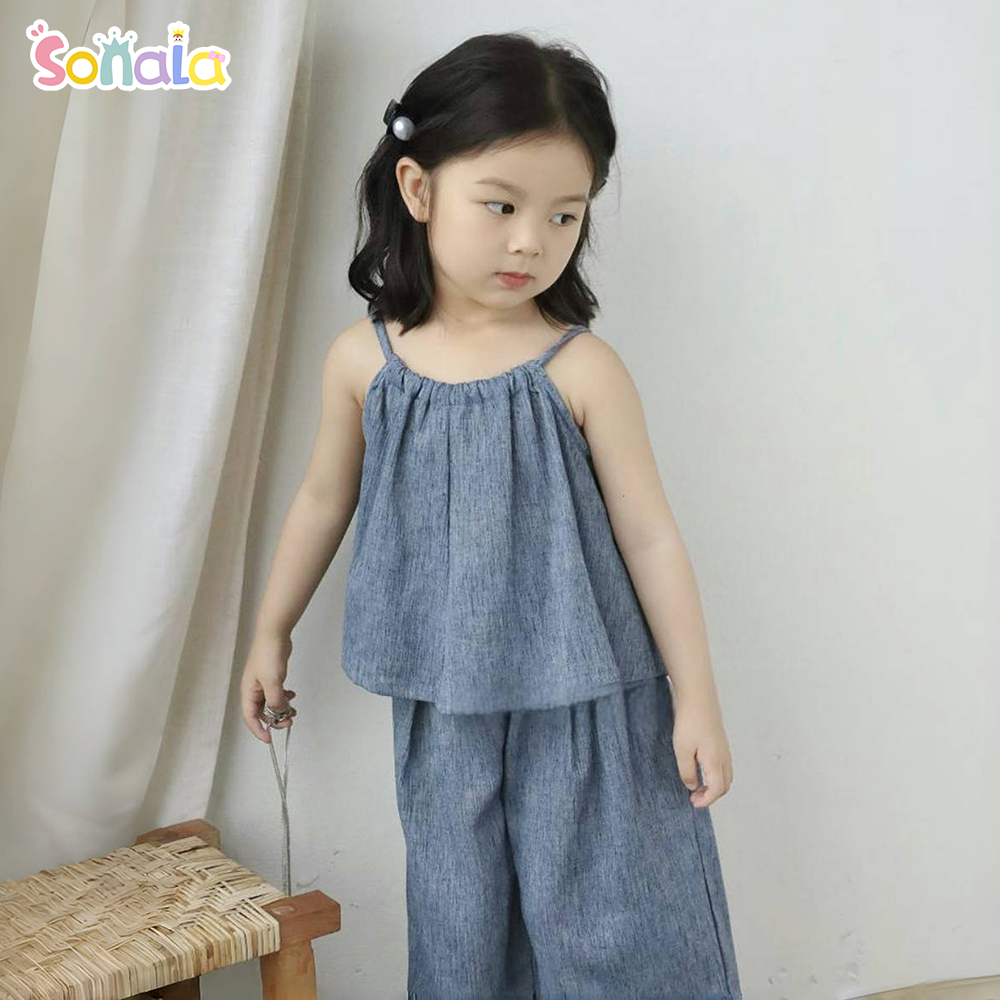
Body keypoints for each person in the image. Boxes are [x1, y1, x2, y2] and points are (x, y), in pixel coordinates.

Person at [241, 30, 743, 1000]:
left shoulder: (582, 369)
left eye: (564, 215)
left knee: (617, 924)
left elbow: (650, 535)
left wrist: (697, 698)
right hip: (444, 702)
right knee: (460, 930)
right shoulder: (363, 363)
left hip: (591, 701)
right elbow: (322, 498)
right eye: (502, 205)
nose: (531, 241)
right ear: (418, 188)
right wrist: (270, 630)